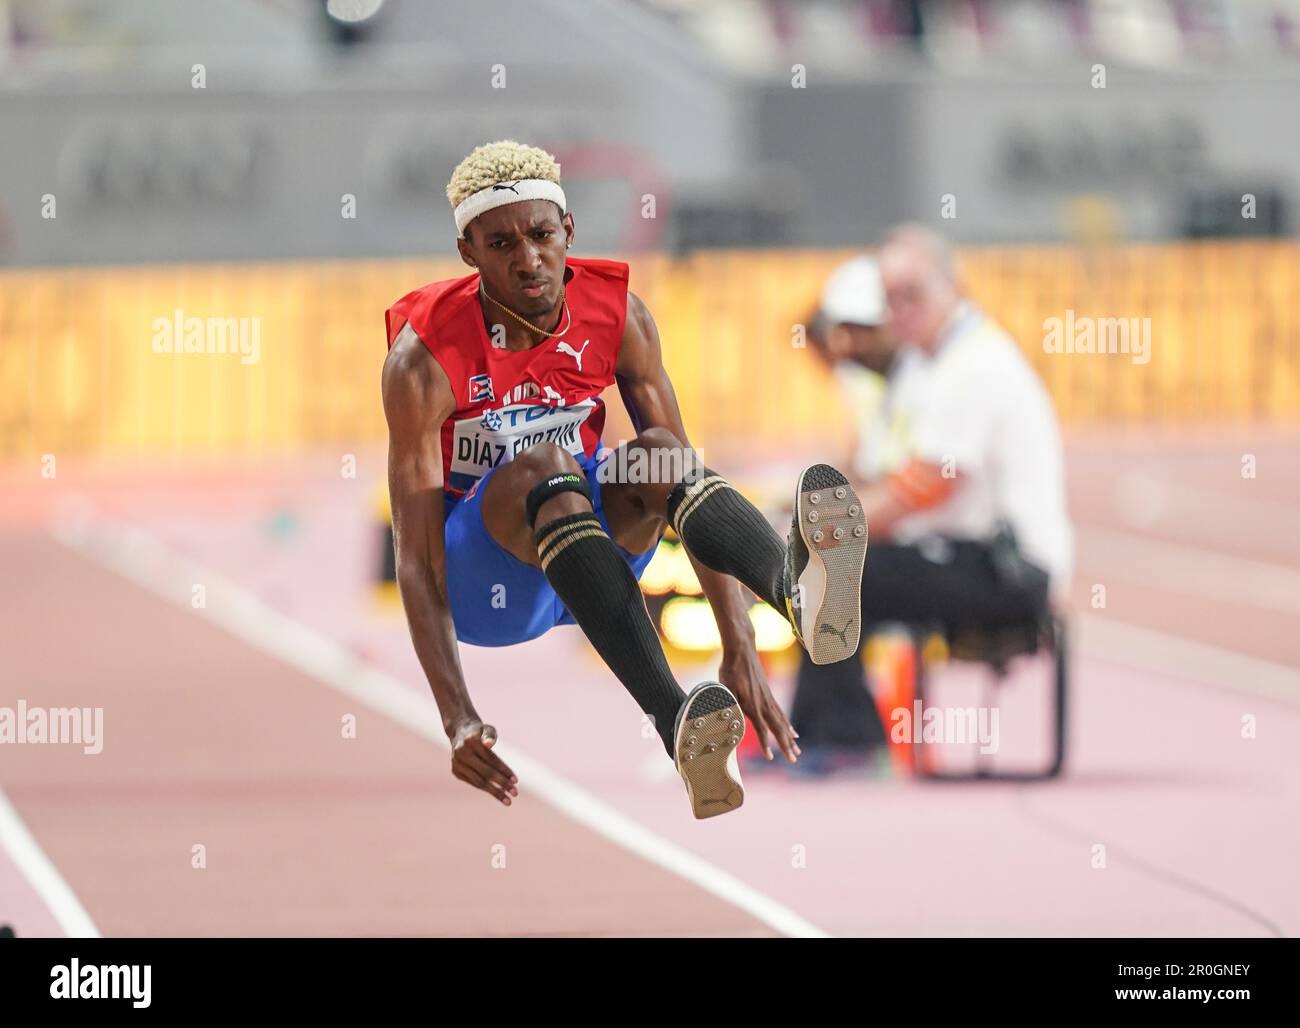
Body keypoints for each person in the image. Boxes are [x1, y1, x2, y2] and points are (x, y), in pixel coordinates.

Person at [380, 140, 868, 819]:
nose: (528, 260)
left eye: (542, 235)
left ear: (569, 231)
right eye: (501, 243)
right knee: (549, 464)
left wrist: (738, 641)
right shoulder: (423, 358)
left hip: (590, 556)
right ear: (469, 251)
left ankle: (795, 595)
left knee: (660, 450)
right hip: (483, 580)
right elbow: (414, 555)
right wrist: (457, 715)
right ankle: (672, 716)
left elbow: (687, 490)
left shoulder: (620, 317)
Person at [790, 225, 1073, 727]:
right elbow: (888, 474)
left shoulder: (974, 365)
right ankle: (830, 729)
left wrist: (826, 532)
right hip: (970, 553)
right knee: (831, 562)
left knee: (835, 569)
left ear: (955, 285)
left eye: (912, 296)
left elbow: (925, 486)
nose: (899, 311)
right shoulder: (930, 364)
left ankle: (845, 736)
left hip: (1010, 569)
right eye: (890, 300)